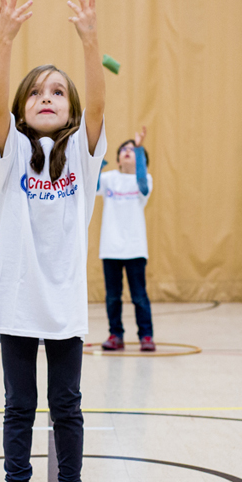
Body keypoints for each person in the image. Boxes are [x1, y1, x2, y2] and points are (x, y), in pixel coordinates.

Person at [0, 0, 106, 482]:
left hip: (64, 305)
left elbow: (100, 105)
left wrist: (90, 40)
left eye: (58, 91)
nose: (47, 97)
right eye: (36, 93)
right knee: (18, 406)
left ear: (71, 109)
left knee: (67, 406)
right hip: (16, 301)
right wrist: (4, 39)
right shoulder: (11, 156)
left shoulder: (82, 154)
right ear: (23, 110)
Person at [97, 126, 155, 351]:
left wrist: (139, 148)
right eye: (124, 149)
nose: (127, 151)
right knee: (113, 297)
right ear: (118, 159)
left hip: (135, 248)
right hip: (110, 248)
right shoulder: (109, 179)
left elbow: (141, 184)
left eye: (132, 150)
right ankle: (115, 335)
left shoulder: (145, 180)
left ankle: (146, 336)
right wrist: (96, 153)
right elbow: (92, 183)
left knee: (139, 296)